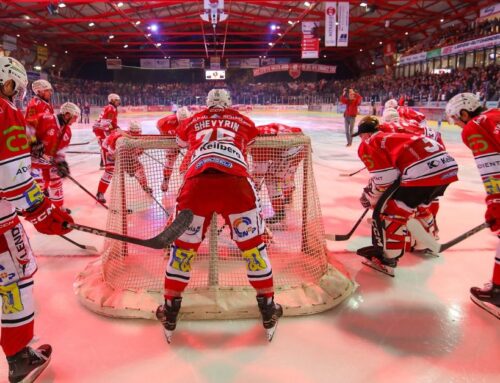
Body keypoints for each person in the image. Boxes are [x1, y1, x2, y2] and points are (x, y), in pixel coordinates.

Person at [156, 89, 282, 342]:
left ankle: (170, 311)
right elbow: (252, 140)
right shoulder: (242, 119)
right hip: (236, 183)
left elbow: (180, 142)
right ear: (228, 103)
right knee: (253, 249)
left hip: (196, 184)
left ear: (207, 103)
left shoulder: (193, 118)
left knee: (182, 251)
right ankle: (268, 309)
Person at [0, 56, 73, 383]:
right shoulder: (6, 110)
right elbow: (13, 179)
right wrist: (43, 213)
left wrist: (34, 147)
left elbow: (23, 139)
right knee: (16, 277)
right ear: (8, 82)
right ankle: (19, 357)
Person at [353, 116, 459, 276]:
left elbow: (385, 181)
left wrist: (369, 195)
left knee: (392, 213)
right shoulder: (394, 135)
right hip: (448, 167)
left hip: (424, 171)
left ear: (366, 134)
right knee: (422, 206)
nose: (361, 140)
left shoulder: (369, 144)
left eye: (360, 136)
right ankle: (423, 244)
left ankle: (387, 259)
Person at [446, 93, 500, 318]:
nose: (458, 126)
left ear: (465, 113)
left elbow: (493, 170)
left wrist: (495, 203)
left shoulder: (475, 127)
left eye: (457, 120)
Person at [30, 102, 81, 212]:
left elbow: (60, 151)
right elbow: (25, 126)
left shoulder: (67, 131)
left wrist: (61, 163)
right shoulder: (45, 118)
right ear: (67, 115)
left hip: (48, 160)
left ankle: (57, 208)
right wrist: (33, 142)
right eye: (74, 118)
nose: (75, 121)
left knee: (56, 181)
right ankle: (39, 211)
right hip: (32, 160)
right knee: (37, 185)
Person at [252, 123, 305, 224]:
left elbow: (260, 171)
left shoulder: (256, 141)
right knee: (285, 177)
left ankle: (280, 215)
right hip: (300, 143)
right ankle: (288, 200)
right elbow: (297, 129)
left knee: (272, 179)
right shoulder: (259, 131)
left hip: (291, 150)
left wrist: (254, 186)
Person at [96, 121, 151, 203]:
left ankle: (145, 186)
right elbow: (113, 154)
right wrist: (127, 164)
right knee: (110, 171)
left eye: (138, 134)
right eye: (134, 134)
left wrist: (137, 154)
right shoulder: (118, 138)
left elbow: (137, 153)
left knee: (139, 167)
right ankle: (100, 193)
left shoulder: (139, 138)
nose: (136, 136)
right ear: (129, 132)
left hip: (123, 151)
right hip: (109, 150)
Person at [156, 106, 192, 192]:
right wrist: (167, 139)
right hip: (174, 139)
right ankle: (166, 180)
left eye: (185, 122)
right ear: (177, 119)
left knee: (193, 158)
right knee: (170, 160)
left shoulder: (193, 119)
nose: (183, 124)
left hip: (187, 139)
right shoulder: (167, 122)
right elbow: (159, 126)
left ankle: (189, 181)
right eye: (181, 122)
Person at [93, 93, 121, 169]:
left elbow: (110, 122)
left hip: (100, 127)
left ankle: (104, 162)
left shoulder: (111, 107)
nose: (118, 102)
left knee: (106, 144)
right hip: (100, 129)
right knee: (105, 145)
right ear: (112, 100)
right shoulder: (111, 109)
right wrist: (112, 130)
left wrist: (115, 127)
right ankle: (105, 164)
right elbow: (105, 124)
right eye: (117, 100)